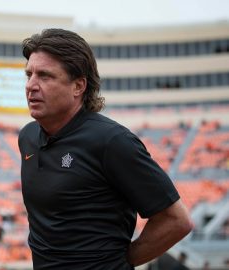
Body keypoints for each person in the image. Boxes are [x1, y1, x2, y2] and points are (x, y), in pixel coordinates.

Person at [18, 28, 193, 269]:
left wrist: (121, 263)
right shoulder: (27, 136)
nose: (31, 85)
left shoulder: (111, 141)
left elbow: (176, 220)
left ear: (78, 86)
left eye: (45, 76)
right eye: (29, 75)